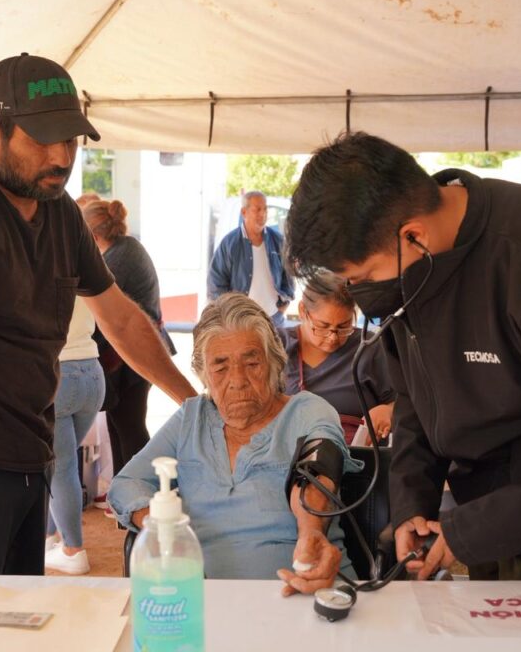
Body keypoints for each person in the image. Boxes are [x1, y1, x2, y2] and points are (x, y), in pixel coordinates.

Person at [284, 132, 521, 581]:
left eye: (364, 276)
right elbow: (414, 397)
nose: (359, 294)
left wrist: (478, 528)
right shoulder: (412, 262)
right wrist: (413, 504)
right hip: (476, 523)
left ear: (414, 236)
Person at [0, 53, 196, 576]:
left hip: (31, 457)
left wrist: (195, 407)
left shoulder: (60, 213)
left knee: (15, 632)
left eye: (71, 141)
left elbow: (121, 320)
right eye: (42, 140)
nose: (61, 157)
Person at [109, 293, 361, 593]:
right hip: (206, 603)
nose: (237, 380)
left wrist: (311, 534)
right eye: (221, 367)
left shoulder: (308, 410)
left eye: (251, 362)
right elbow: (126, 483)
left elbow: (318, 471)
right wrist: (162, 525)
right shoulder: (192, 418)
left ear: (274, 363)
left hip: (303, 592)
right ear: (204, 375)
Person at [82, 199, 175, 484]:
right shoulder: (126, 248)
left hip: (135, 356)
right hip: (134, 353)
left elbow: (101, 314)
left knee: (130, 428)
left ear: (93, 237)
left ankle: (141, 494)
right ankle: (125, 495)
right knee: (121, 425)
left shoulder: (116, 260)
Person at [281, 271, 395, 442]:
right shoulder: (277, 346)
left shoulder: (369, 347)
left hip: (357, 455)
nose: (333, 337)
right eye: (323, 326)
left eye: (344, 326)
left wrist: (388, 411)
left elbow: (405, 401)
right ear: (303, 311)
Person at [43, 296, 105, 575]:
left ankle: (73, 550)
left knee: (60, 468)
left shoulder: (34, 261)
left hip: (57, 370)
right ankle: (49, 537)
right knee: (59, 465)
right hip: (92, 372)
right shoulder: (79, 255)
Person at [208, 191, 295, 326]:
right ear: (244, 212)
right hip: (241, 323)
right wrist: (231, 313)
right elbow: (216, 283)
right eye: (257, 209)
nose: (263, 214)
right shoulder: (230, 243)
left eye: (265, 209)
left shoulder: (277, 240)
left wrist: (283, 306)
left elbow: (288, 275)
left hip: (274, 320)